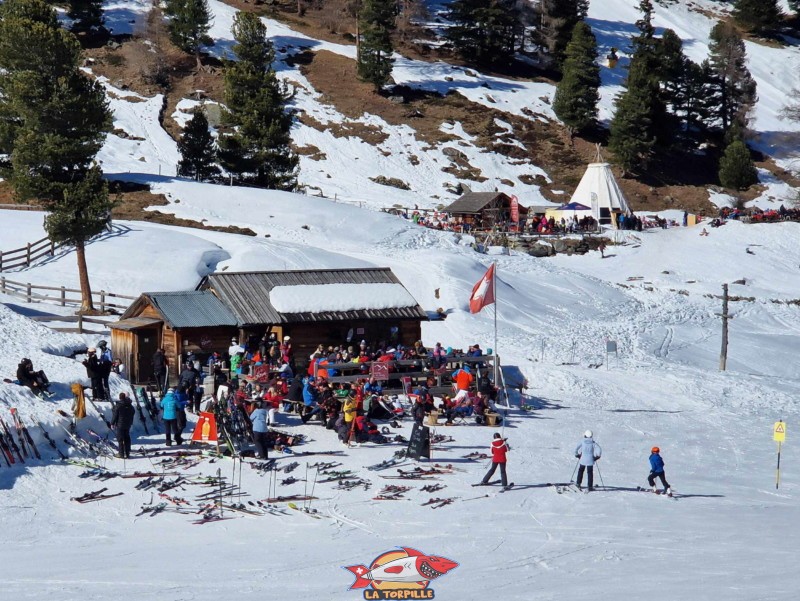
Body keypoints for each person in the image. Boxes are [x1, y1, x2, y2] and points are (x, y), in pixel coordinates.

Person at [111, 392, 135, 459]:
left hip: (120, 424)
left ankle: (121, 453)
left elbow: (115, 415)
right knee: (127, 437)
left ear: (120, 397)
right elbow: (133, 412)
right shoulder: (130, 405)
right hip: (128, 424)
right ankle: (127, 453)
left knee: (120, 439)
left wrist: (112, 423)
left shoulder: (119, 405)